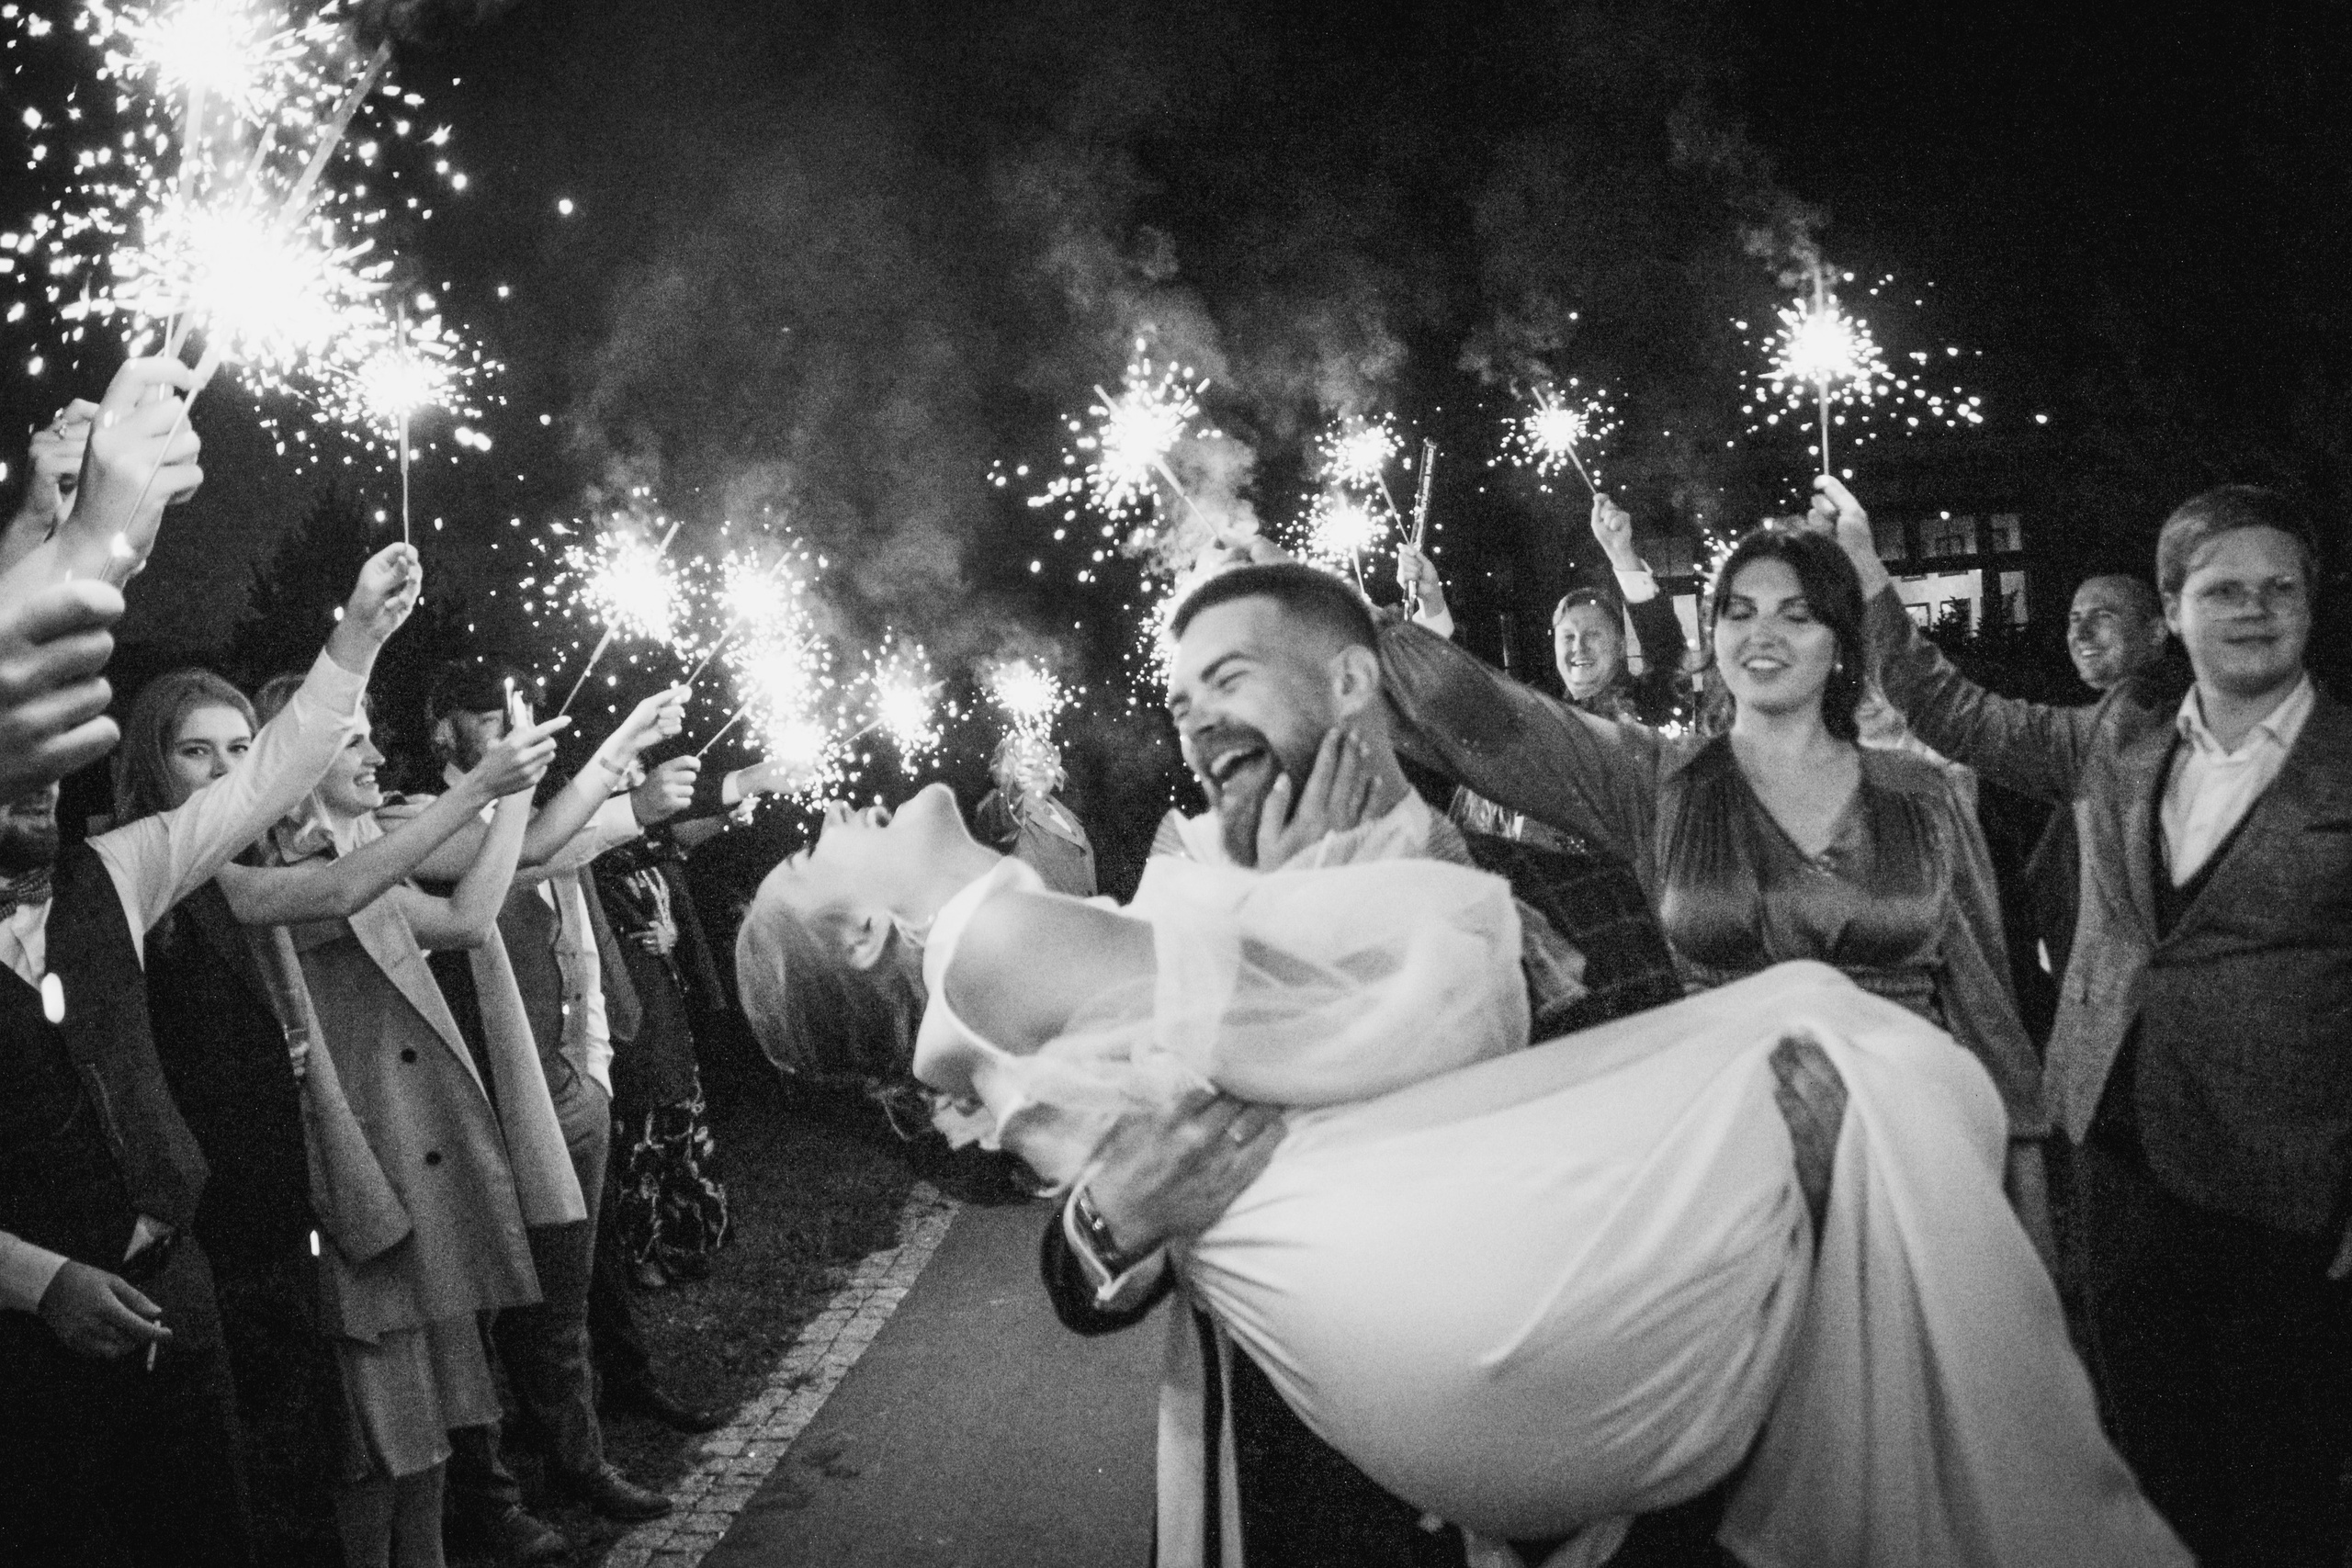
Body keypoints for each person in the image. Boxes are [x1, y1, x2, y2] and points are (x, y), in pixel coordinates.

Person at [739, 561, 2182, 1568]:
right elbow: (1010, 1151)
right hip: (1325, 1455)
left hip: (1631, 1417)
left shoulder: (1580, 896)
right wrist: (1105, 1230)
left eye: (1230, 677)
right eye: (1178, 692)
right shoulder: (1152, 903)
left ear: (1359, 683)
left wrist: (1799, 1168)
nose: (1191, 718)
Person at [1815, 476, 2351, 1568]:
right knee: (2144, 1450)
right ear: (2177, 608)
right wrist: (1869, 574)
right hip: (2111, 1154)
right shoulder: (2122, 735)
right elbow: (1948, 709)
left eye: (2278, 588)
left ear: (2311, 602)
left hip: (2283, 1177)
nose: (2252, 609)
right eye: (2222, 589)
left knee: (2283, 1474)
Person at [1374, 525, 2054, 1256]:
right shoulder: (1660, 783)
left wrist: (2032, 1250)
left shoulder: (1928, 798)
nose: (1763, 634)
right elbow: (1495, 721)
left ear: (1840, 643)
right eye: (1739, 610)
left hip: (1914, 1172)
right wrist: (1337, 627)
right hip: (1729, 1180)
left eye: (1797, 614)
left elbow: (1995, 1041)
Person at [0, 355, 371, 1568]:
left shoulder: (114, 869)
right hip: (30, 1341)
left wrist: (358, 640)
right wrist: (37, 1277)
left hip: (182, 1282)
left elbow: (266, 775)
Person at [237, 672, 575, 1568]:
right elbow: (364, 893)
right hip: (357, 1189)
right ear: (297, 759)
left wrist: (520, 791)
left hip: (418, 1179)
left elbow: (468, 916)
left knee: (423, 1445)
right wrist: (487, 789)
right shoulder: (276, 881)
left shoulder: (344, 858)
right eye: (352, 741)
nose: (378, 756)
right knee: (375, 1453)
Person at [417, 664, 689, 1554]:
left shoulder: (521, 816)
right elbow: (529, 849)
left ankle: (580, 1460)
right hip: (481, 1111)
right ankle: (487, 1498)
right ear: (440, 733)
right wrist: (618, 766)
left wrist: (596, 1072)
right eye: (484, 716)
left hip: (569, 1091)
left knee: (560, 1306)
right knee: (474, 1323)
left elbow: (561, 868)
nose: (505, 726)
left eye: (512, 715)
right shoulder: (422, 825)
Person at [973, 731, 1098, 897]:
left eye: (1045, 761)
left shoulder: (1066, 815)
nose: (1039, 768)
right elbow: (998, 821)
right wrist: (1015, 787)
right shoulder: (1002, 804)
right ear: (1009, 769)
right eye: (1029, 762)